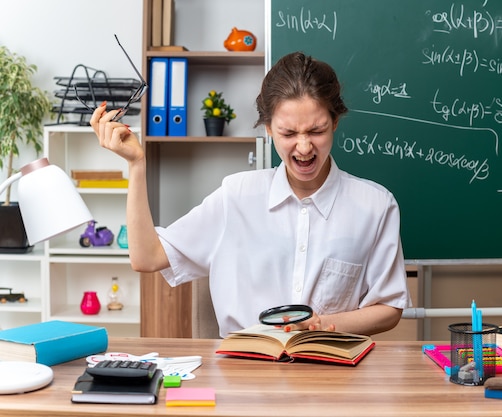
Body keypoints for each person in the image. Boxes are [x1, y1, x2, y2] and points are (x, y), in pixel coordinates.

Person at [90, 51, 411, 338]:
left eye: (316, 130)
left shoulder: (374, 205)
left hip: (331, 373)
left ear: (336, 123)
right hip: (243, 377)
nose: (303, 147)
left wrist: (320, 324)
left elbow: (390, 307)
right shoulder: (237, 195)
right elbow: (146, 258)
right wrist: (136, 163)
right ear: (268, 128)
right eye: (288, 133)